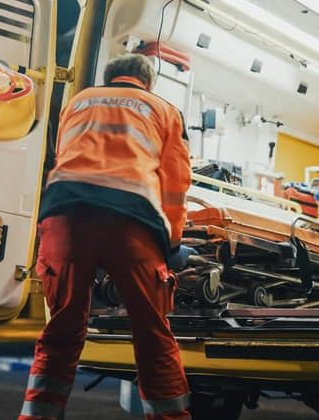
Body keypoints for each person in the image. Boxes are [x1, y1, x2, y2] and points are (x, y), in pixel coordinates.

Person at [18, 54, 193, 420]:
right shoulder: (163, 109)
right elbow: (176, 184)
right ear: (147, 82)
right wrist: (172, 243)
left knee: (60, 333)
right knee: (152, 334)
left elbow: (64, 156)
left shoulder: (77, 102)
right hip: (131, 223)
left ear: (110, 76)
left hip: (65, 216)